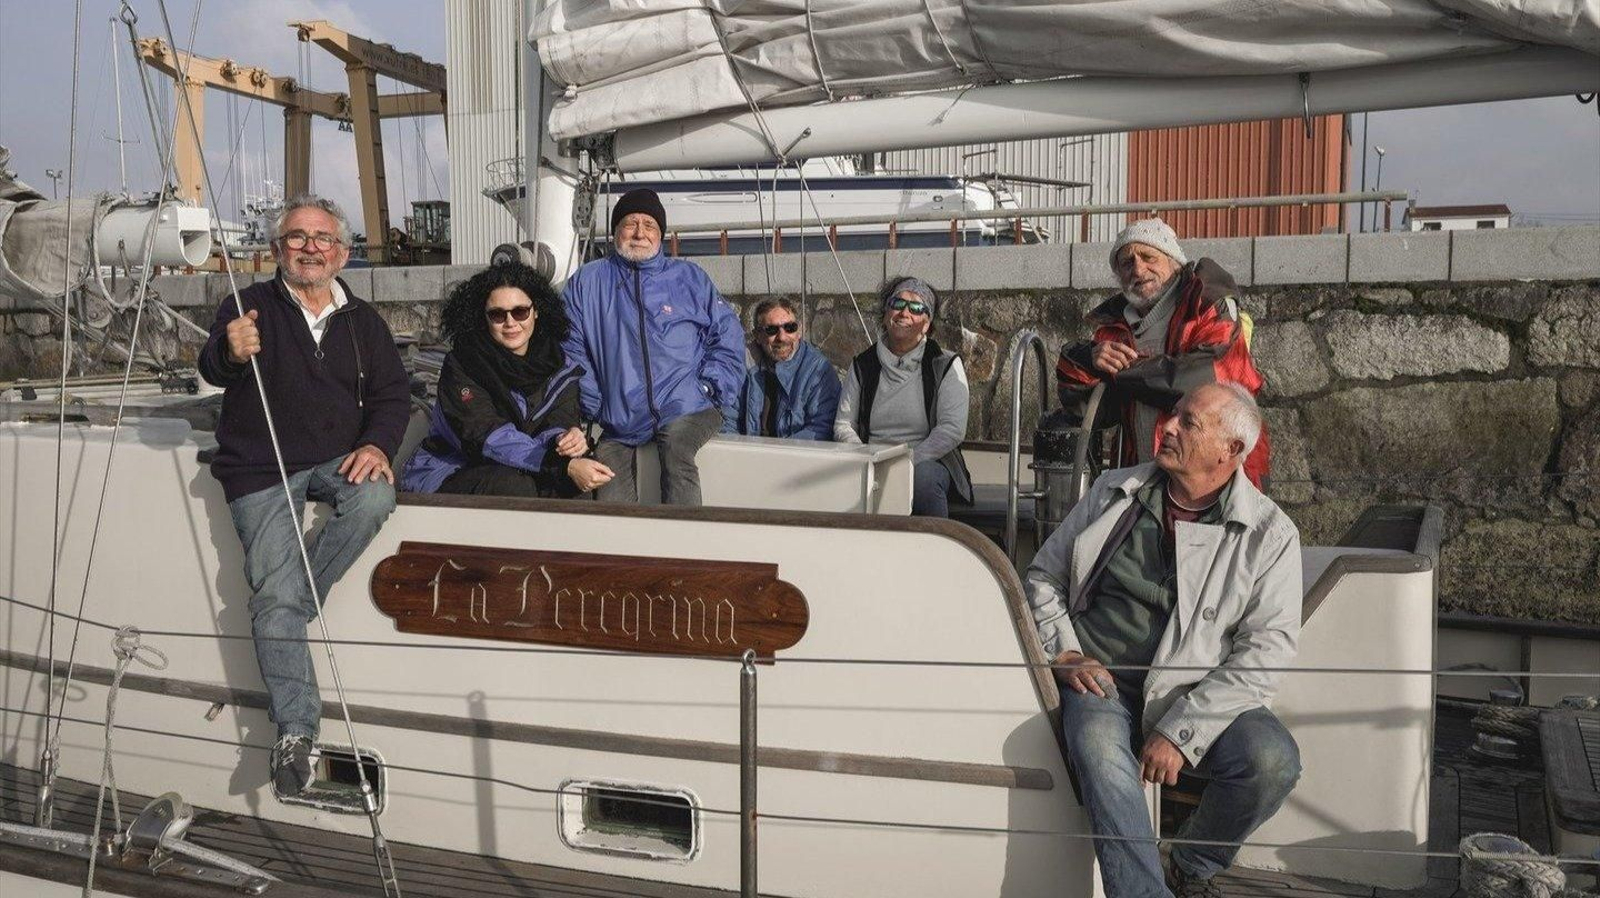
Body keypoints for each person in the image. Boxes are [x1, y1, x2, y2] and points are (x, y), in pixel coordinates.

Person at [1025, 382, 1302, 898]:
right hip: (1100, 679)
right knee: (1099, 749)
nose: (1167, 426)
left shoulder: (1271, 534)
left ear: (1230, 450)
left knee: (1272, 761)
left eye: (1188, 422)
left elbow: (1265, 654)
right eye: (1173, 414)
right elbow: (1043, 576)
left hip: (1194, 690)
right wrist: (1063, 651)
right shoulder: (1114, 491)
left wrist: (1180, 731)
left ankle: (1192, 863)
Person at [198, 195, 411, 797]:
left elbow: (393, 397)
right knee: (273, 593)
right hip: (261, 465)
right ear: (277, 249)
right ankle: (296, 730)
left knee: (374, 500)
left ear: (342, 252)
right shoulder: (247, 306)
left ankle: (285, 608)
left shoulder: (363, 321)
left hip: (336, 456)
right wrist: (230, 350)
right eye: (297, 237)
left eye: (323, 239)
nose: (310, 248)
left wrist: (377, 445)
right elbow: (213, 366)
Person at [561, 188, 745, 505]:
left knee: (677, 449)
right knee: (607, 475)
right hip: (619, 417)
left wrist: (709, 387)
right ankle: (623, 539)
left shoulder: (690, 277)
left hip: (688, 406)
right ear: (615, 231)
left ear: (661, 234)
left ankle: (683, 537)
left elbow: (727, 335)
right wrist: (596, 403)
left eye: (649, 225)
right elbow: (571, 349)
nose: (640, 233)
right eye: (630, 223)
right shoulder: (587, 283)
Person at [1056, 218, 1269, 486]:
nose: (1138, 269)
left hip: (1218, 475)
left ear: (1174, 262)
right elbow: (1092, 410)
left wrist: (1121, 372)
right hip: (1144, 478)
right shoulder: (1114, 328)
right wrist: (1087, 358)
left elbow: (1204, 380)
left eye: (1149, 257)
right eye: (1127, 263)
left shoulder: (1207, 304)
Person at [402, 262, 614, 497]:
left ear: (536, 311)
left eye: (520, 311)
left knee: (576, 485)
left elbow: (560, 419)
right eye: (497, 314)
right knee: (515, 485)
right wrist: (558, 465)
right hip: (451, 468)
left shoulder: (561, 367)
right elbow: (484, 434)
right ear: (483, 318)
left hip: (529, 464)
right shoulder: (463, 365)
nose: (510, 322)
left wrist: (566, 439)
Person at [833, 276, 972, 517]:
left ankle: (933, 541)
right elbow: (843, 424)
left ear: (927, 324)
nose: (904, 313)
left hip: (927, 461)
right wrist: (865, 458)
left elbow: (952, 430)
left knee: (923, 481)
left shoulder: (945, 364)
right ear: (886, 315)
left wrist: (905, 463)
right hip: (870, 461)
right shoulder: (862, 365)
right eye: (897, 304)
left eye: (916, 308)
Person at [722, 297, 841, 440]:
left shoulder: (818, 370)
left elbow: (821, 428)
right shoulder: (741, 365)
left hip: (797, 453)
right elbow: (726, 420)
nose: (782, 337)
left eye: (790, 328)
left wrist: (779, 453)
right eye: (771, 330)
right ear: (757, 336)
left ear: (799, 331)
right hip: (748, 451)